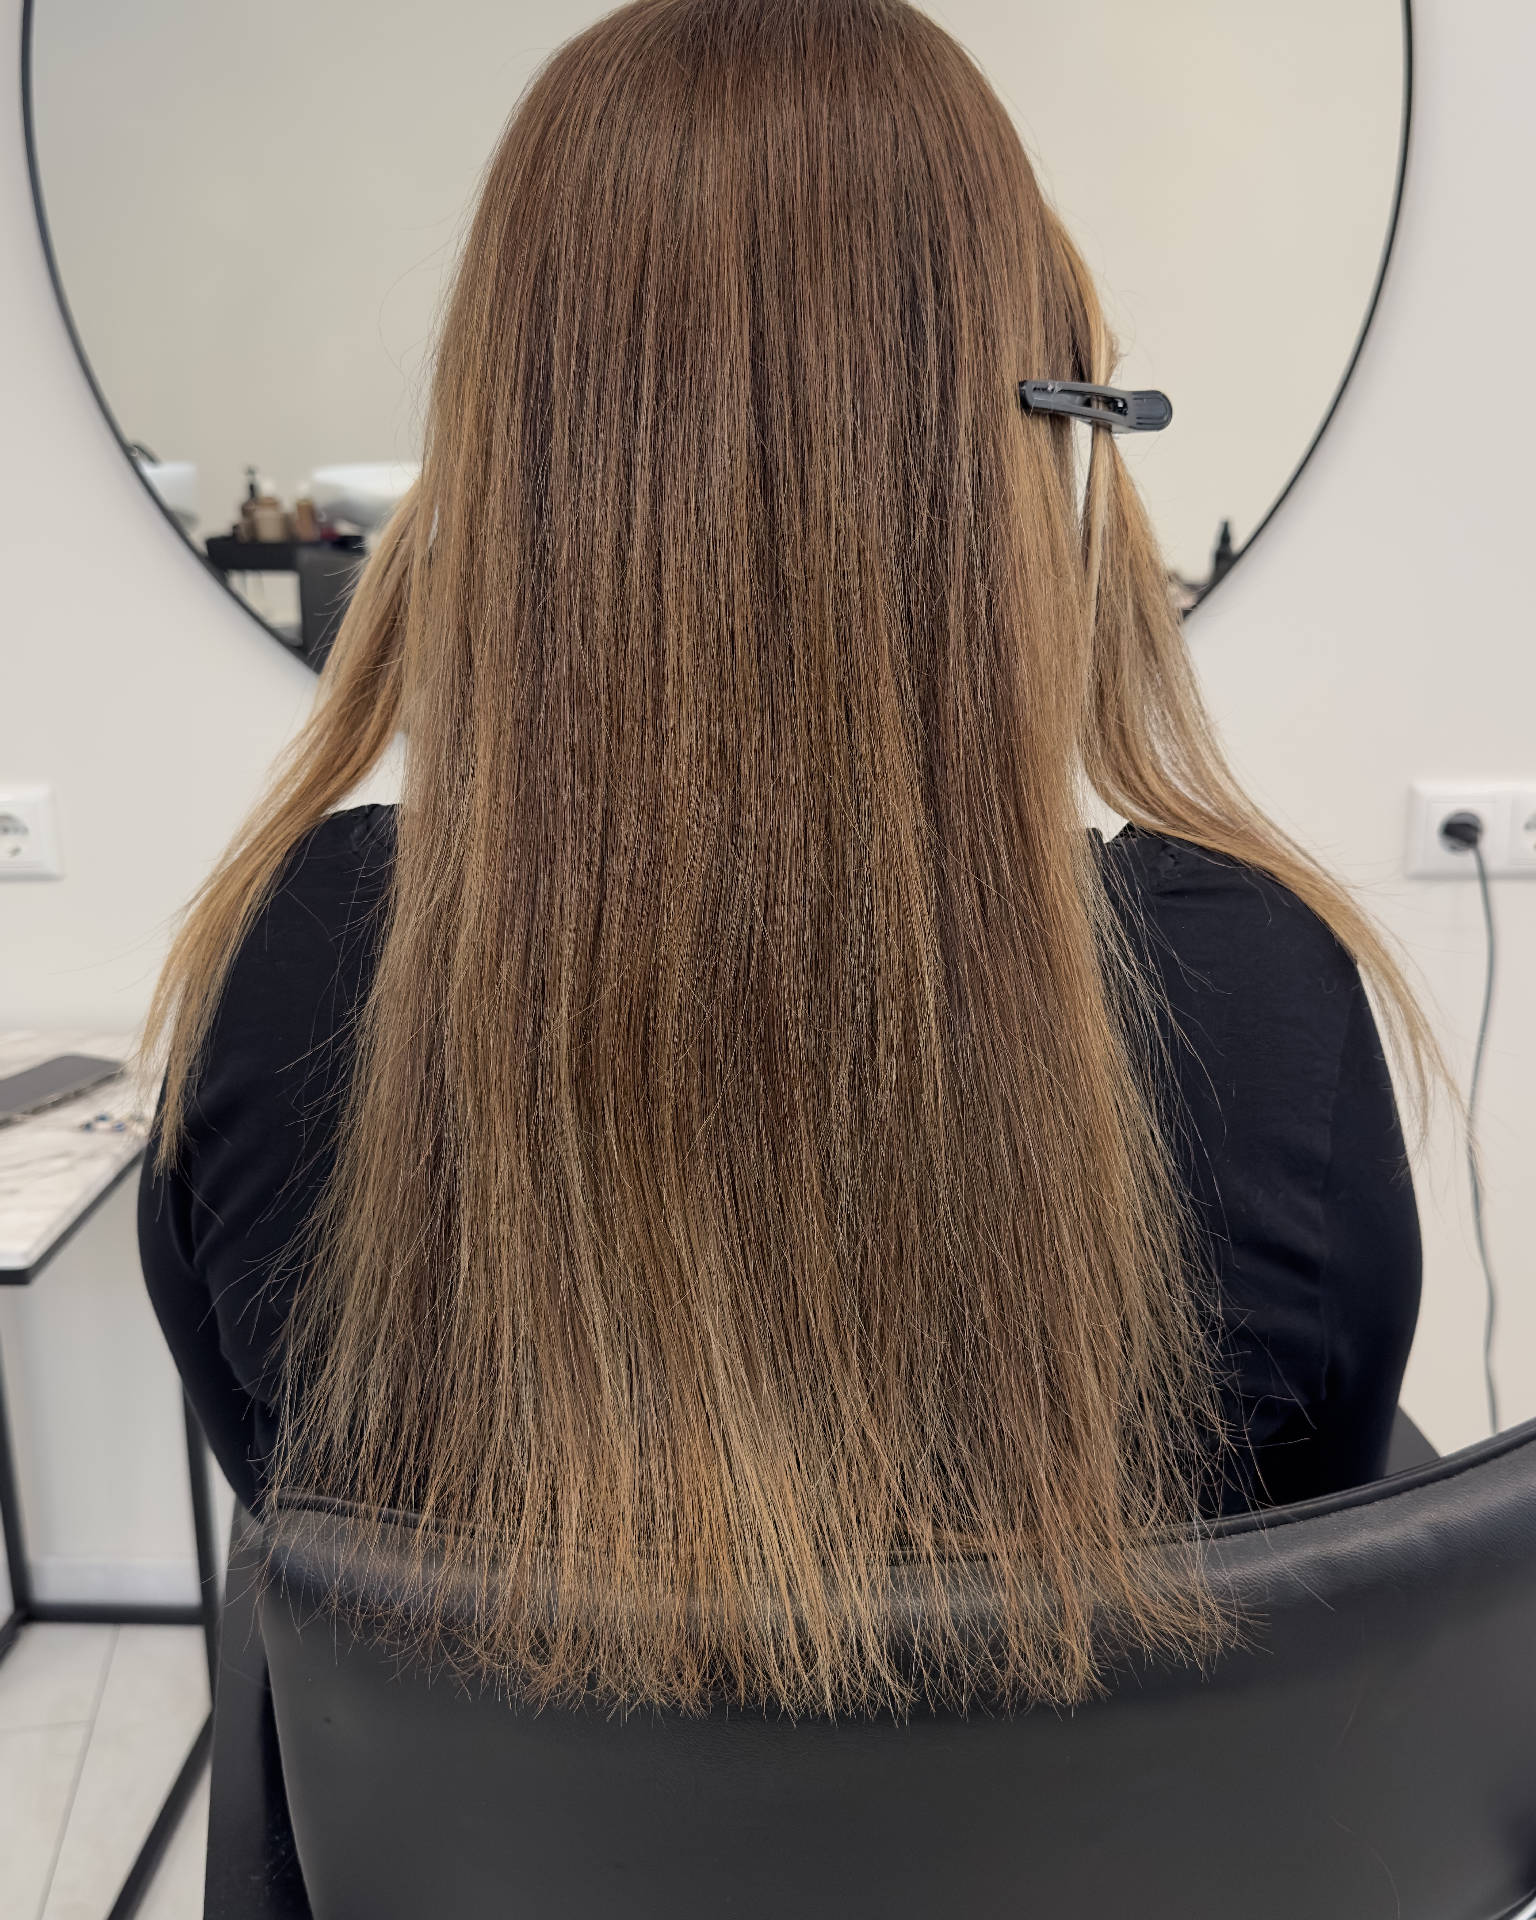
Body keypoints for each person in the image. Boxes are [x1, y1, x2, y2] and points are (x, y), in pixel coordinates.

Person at [136, 0, 1429, 1718]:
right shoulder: (1253, 1001)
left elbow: (299, 1523)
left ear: (507, 451)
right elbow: (1306, 1561)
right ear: (1033, 457)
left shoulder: (290, 967)